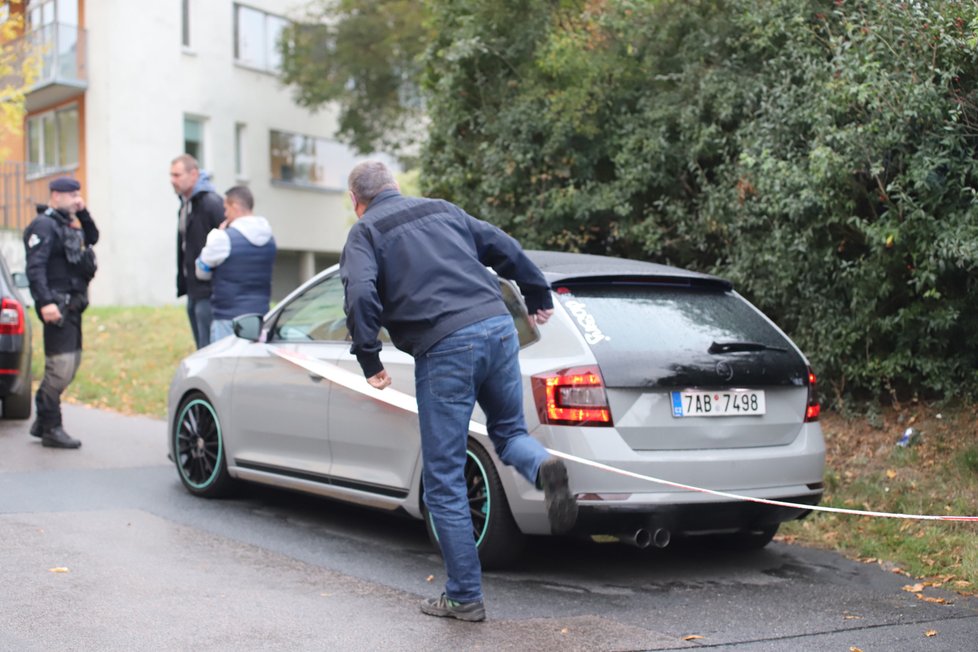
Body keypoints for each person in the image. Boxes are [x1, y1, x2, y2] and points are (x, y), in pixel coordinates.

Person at [340, 160, 577, 622]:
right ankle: (542, 465)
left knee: (444, 477)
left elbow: (361, 294)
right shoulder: (442, 210)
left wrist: (369, 358)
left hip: (447, 344)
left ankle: (464, 596)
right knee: (508, 434)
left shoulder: (364, 232)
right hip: (497, 326)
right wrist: (538, 295)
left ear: (356, 201)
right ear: (395, 186)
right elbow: (502, 246)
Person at [23, 177, 98, 449]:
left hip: (74, 305)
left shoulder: (68, 223)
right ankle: (51, 427)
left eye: (79, 193)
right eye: (71, 194)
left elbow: (93, 238)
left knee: (72, 364)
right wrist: (45, 302)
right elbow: (36, 267)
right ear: (56, 195)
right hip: (57, 306)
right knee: (60, 367)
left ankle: (43, 420)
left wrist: (83, 212)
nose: (76, 198)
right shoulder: (44, 225)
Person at [195, 185, 276, 341]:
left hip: (228, 319)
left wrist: (215, 235)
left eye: (226, 208)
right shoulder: (269, 238)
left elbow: (201, 271)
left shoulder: (223, 238)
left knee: (224, 364)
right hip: (260, 318)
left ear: (235, 206)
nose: (225, 214)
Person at [170, 154, 225, 348]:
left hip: (208, 292)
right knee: (200, 349)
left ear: (194, 174)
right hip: (193, 290)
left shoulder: (211, 203)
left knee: (207, 350)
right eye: (171, 175)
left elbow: (226, 239)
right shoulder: (185, 205)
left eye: (177, 175)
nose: (172, 180)